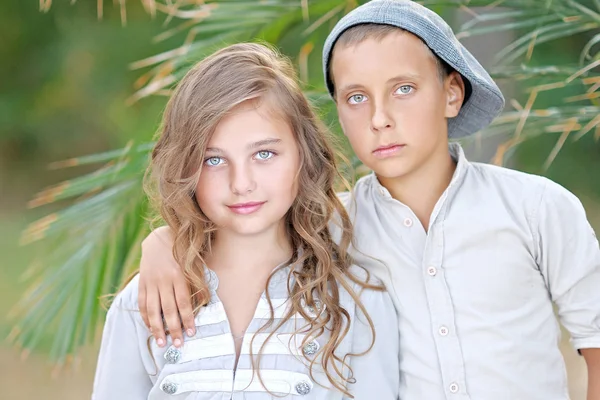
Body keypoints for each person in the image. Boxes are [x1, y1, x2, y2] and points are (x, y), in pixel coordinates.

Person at [136, 1, 600, 399]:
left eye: (404, 89)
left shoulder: (537, 209)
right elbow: (237, 235)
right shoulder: (329, 226)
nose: (380, 118)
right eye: (356, 97)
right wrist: (161, 243)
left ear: (452, 93)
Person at [91, 42, 400, 399]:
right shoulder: (145, 301)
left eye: (264, 154)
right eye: (214, 160)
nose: (241, 183)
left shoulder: (355, 301)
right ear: (184, 168)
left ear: (305, 154)